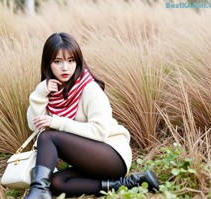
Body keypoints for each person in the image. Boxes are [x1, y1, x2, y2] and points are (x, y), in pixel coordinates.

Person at [24, 32, 160, 199]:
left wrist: (57, 122)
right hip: (89, 158)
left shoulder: (90, 89)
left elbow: (100, 132)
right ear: (48, 64)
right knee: (56, 183)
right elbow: (33, 124)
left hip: (113, 155)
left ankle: (38, 192)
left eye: (70, 60)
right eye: (58, 61)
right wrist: (40, 93)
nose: (65, 68)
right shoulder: (51, 93)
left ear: (78, 61)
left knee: (47, 137)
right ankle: (132, 182)